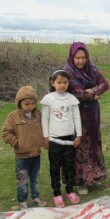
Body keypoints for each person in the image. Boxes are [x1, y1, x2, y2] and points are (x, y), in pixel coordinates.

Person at [64, 42, 109, 195]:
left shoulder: (92, 68)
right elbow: (75, 93)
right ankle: (80, 182)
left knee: (93, 144)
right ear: (72, 56)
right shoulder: (68, 72)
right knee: (80, 145)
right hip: (76, 113)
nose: (81, 61)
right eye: (77, 58)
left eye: (83, 57)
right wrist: (93, 94)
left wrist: (92, 90)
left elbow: (105, 84)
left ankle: (94, 178)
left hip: (92, 113)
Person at [41, 70, 82, 208]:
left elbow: (77, 118)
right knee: (54, 167)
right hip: (54, 140)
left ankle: (70, 191)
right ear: (53, 83)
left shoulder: (71, 99)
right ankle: (57, 193)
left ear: (68, 83)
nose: (62, 85)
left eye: (65, 82)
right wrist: (45, 136)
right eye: (59, 82)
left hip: (69, 140)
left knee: (69, 167)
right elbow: (44, 119)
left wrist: (79, 135)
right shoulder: (48, 99)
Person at [1, 86, 47, 210]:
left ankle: (36, 197)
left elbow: (45, 128)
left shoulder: (38, 114)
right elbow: (5, 133)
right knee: (22, 180)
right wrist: (17, 143)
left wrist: (44, 140)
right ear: (19, 103)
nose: (30, 106)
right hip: (22, 157)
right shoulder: (13, 117)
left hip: (36, 154)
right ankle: (22, 202)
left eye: (33, 103)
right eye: (27, 104)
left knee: (35, 177)